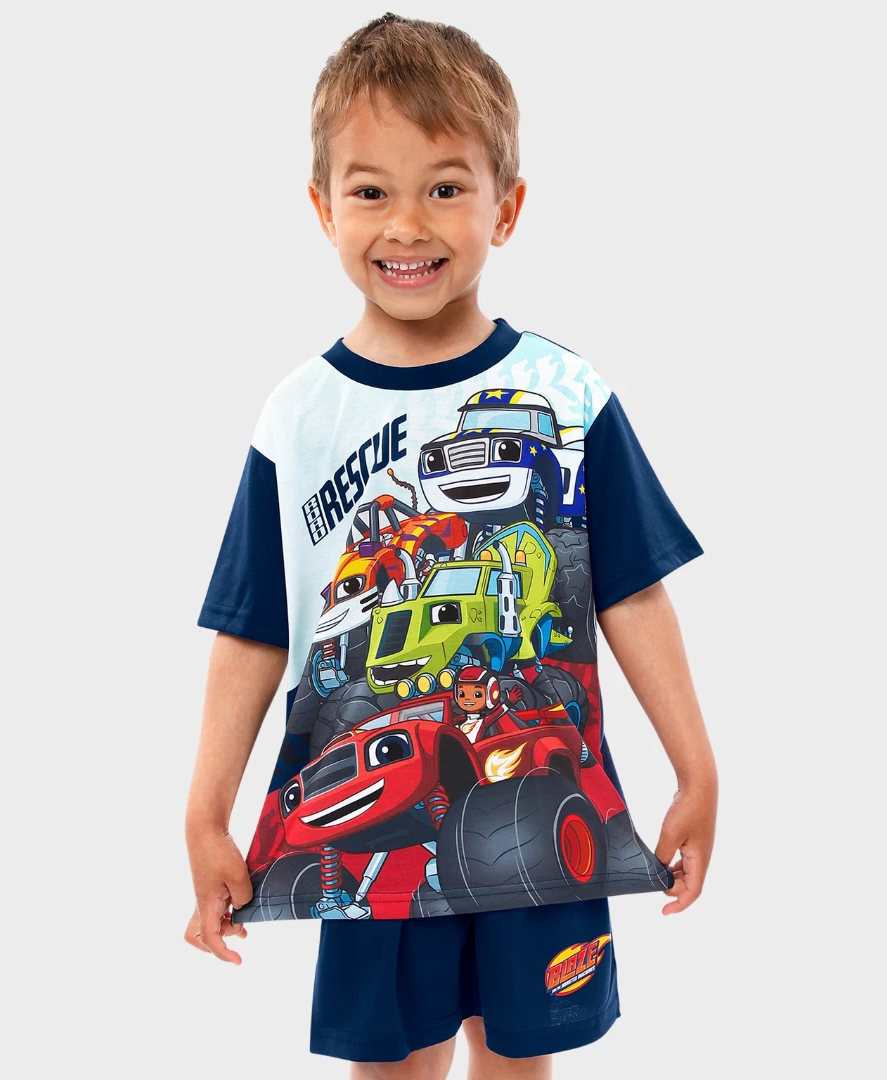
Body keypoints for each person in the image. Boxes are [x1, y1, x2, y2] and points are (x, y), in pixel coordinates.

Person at [183, 12, 718, 1076]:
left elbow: (633, 591)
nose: (407, 224)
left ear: (505, 207)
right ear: (321, 206)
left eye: (444, 187)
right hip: (371, 840)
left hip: (538, 795)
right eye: (370, 191)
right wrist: (205, 810)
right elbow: (253, 629)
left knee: (521, 1054)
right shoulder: (297, 418)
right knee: (390, 1061)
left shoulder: (568, 394)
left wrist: (695, 768)